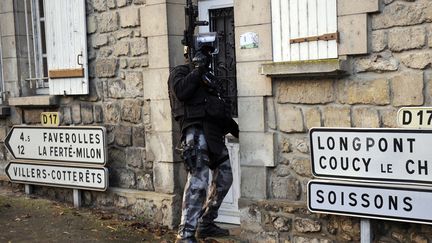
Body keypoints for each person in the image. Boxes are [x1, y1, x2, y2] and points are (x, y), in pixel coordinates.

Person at [168, 45, 239, 243]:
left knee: (225, 178)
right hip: (195, 131)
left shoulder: (209, 78)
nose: (206, 58)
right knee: (198, 181)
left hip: (214, 134)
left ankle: (205, 223)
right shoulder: (180, 72)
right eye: (201, 54)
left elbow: (220, 110)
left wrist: (239, 132)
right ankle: (186, 234)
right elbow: (181, 92)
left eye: (207, 55)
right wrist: (198, 68)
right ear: (189, 54)